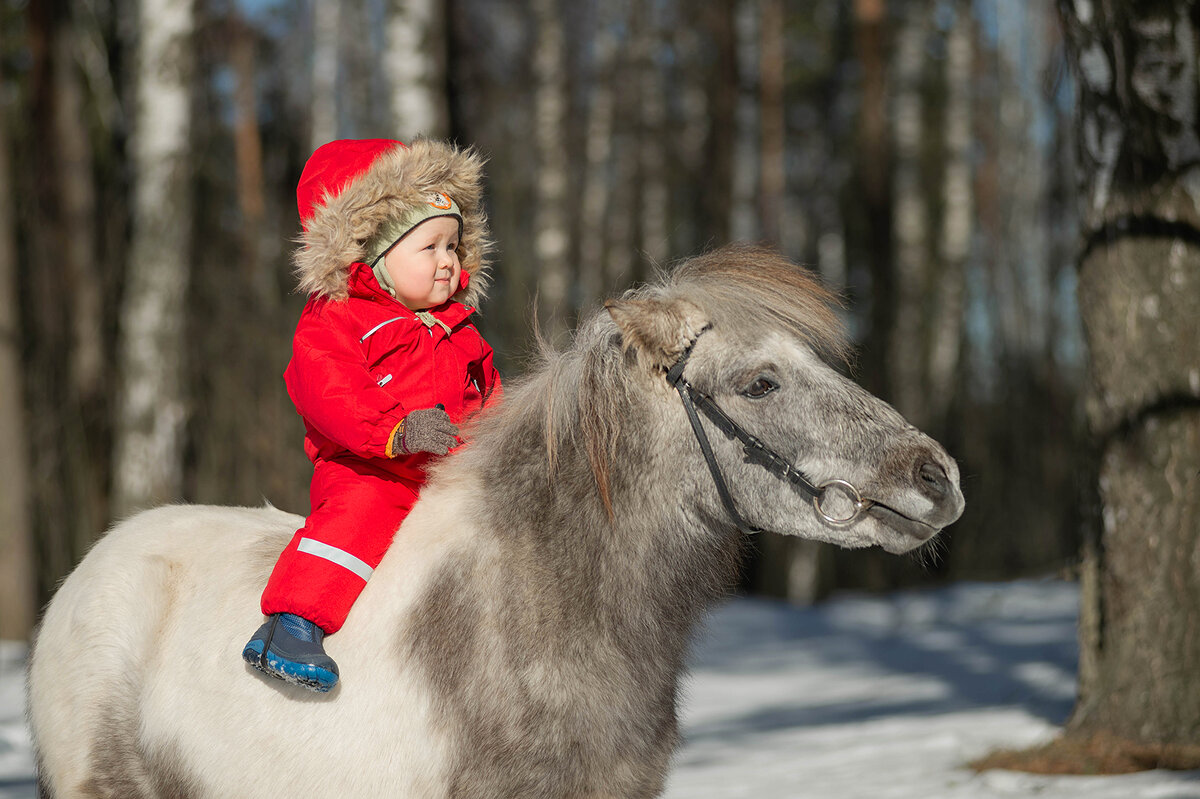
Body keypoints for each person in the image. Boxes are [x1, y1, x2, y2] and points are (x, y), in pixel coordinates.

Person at [242, 138, 501, 692]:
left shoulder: (459, 328)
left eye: (454, 246)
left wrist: (503, 445)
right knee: (361, 514)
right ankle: (294, 625)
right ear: (374, 256)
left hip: (449, 469)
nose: (448, 261)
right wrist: (395, 433)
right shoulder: (337, 321)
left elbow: (489, 396)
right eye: (429, 246)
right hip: (370, 464)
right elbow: (328, 389)